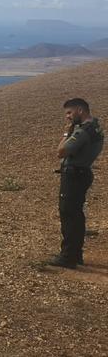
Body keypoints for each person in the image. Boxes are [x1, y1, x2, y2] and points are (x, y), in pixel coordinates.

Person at [49, 98, 103, 269]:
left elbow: (61, 151)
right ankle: (75, 254)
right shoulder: (95, 126)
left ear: (80, 110)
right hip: (81, 173)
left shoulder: (83, 131)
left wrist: (66, 134)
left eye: (69, 112)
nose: (67, 117)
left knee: (69, 215)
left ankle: (68, 257)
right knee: (76, 215)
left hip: (74, 175)